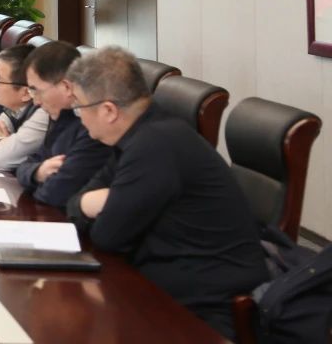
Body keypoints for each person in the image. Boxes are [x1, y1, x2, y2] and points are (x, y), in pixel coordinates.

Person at [66, 47, 267, 340]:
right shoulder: (138, 134)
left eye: (79, 107)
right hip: (161, 286)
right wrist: (87, 202)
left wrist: (92, 205)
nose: (78, 116)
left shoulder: (155, 145)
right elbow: (75, 203)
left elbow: (108, 236)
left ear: (108, 111)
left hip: (198, 309)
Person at [14, 42, 112, 208]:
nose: (35, 102)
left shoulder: (93, 127)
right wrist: (37, 173)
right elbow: (26, 164)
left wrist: (34, 180)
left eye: (36, 90)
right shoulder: (60, 116)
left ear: (66, 87)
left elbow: (53, 193)